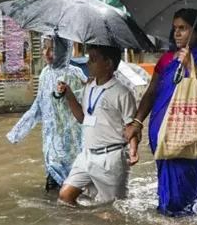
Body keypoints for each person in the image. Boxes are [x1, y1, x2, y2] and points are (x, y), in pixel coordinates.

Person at [124, 9, 197, 216]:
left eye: (183, 28)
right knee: (166, 191)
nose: (177, 33)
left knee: (184, 188)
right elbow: (151, 93)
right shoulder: (166, 60)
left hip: (190, 136)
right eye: (175, 28)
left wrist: (191, 66)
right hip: (161, 134)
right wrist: (137, 122)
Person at [57, 45, 139, 206]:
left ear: (108, 64)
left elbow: (132, 126)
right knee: (65, 196)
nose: (88, 63)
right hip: (87, 155)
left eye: (93, 59)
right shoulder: (89, 87)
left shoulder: (123, 92)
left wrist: (134, 149)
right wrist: (69, 95)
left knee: (114, 210)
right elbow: (82, 118)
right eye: (89, 58)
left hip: (111, 157)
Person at [7, 36, 86, 192]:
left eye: (53, 49)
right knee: (52, 190)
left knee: (72, 191)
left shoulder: (75, 74)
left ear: (65, 50)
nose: (47, 53)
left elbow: (86, 107)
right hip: (51, 144)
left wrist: (68, 92)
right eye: (45, 48)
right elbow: (38, 106)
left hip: (71, 146)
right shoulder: (44, 74)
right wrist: (17, 132)